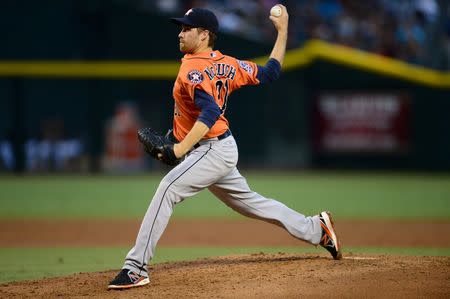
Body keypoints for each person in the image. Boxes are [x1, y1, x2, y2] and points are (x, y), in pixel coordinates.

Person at [108, 5, 342, 290]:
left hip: (211, 150)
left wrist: (179, 149)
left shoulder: (193, 68)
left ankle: (135, 269)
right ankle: (317, 229)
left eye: (186, 28)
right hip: (220, 147)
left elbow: (208, 113)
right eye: (181, 28)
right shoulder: (229, 63)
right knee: (252, 204)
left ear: (204, 34)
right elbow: (270, 72)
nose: (180, 33)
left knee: (167, 189)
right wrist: (282, 33)